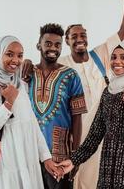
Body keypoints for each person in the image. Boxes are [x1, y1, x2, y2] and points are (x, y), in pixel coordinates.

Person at [58, 41, 124, 189]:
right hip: (107, 170)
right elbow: (95, 135)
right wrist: (73, 161)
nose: (117, 61)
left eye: (123, 57)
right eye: (114, 57)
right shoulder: (108, 92)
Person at [57, 0, 124, 188]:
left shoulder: (100, 55)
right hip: (78, 134)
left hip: (106, 129)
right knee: (80, 179)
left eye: (83, 34)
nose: (80, 38)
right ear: (67, 41)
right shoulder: (61, 64)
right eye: (75, 36)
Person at [0, 35, 61, 189]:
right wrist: (8, 103)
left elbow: (32, 124)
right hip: (6, 165)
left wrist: (46, 158)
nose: (15, 60)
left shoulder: (21, 84)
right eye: (9, 54)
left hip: (28, 160)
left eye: (20, 55)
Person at [28, 23, 87, 189]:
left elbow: (77, 118)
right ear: (39, 45)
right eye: (48, 44)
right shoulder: (28, 74)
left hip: (60, 155)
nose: (53, 48)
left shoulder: (71, 76)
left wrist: (76, 157)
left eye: (57, 44)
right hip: (30, 154)